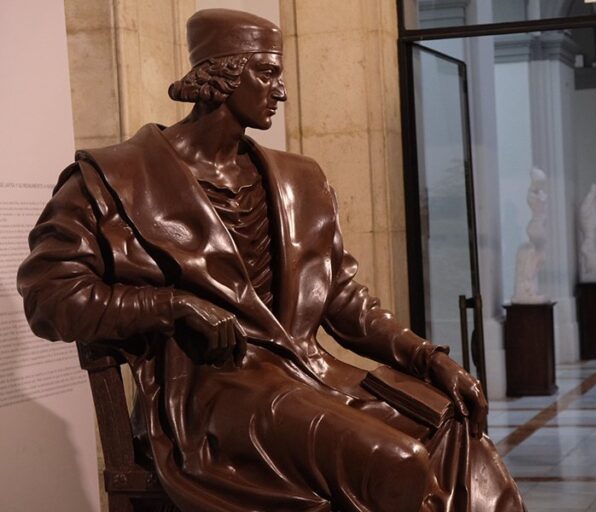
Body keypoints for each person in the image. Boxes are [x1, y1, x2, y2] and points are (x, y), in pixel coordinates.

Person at [18, 9, 525, 512]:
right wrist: (170, 305)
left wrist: (429, 360)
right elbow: (50, 297)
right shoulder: (114, 179)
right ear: (220, 75)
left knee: (460, 431)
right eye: (267, 73)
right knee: (394, 459)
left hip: (311, 374)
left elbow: (345, 300)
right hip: (213, 394)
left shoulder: (300, 179)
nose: (280, 92)